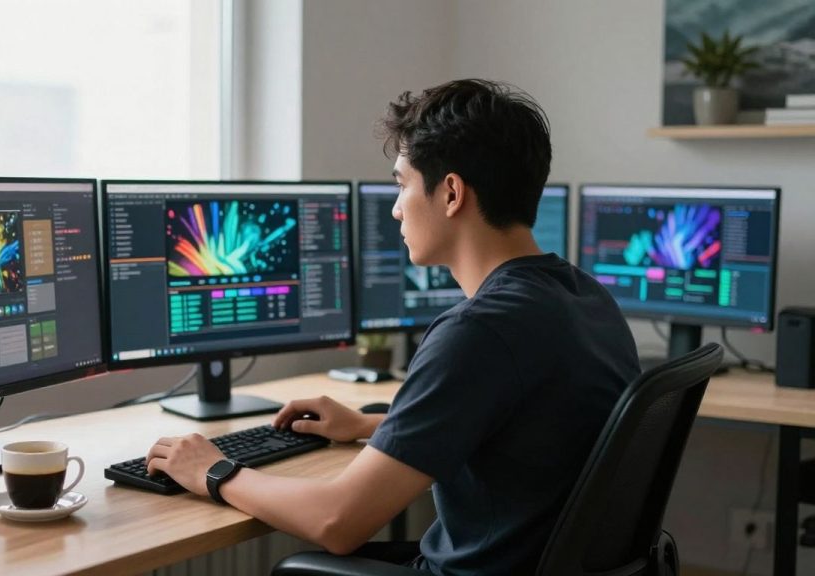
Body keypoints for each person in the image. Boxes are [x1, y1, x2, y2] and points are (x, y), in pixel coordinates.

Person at [145, 79, 640, 575]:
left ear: (450, 192)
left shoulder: (478, 331)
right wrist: (372, 426)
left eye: (402, 183)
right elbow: (526, 433)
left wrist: (214, 470)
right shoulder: (586, 298)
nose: (396, 207)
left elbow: (338, 522)